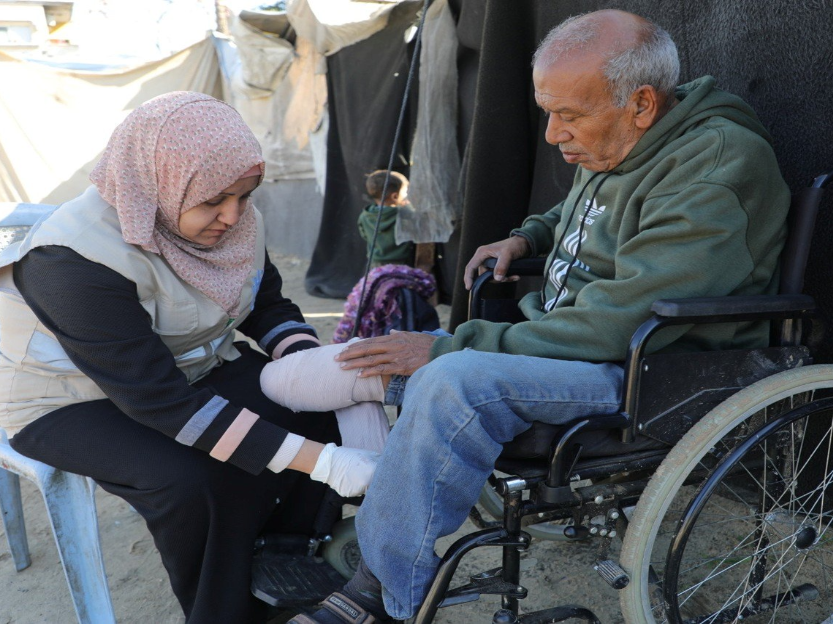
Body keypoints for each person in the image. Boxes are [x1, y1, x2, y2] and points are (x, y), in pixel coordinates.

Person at [265, 9, 791, 623]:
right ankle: (361, 505)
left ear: (642, 104)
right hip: (562, 344)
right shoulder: (627, 139)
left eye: (568, 116)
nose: (552, 135)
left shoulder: (712, 168)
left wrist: (446, 349)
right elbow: (583, 215)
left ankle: (381, 589)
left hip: (646, 368)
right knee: (320, 370)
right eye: (548, 112)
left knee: (448, 380)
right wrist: (526, 239)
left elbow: (616, 325)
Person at [0, 92, 381, 623]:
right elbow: (161, 401)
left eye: (246, 194)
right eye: (215, 199)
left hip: (188, 367)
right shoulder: (68, 262)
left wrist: (306, 364)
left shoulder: (233, 218)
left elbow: (266, 302)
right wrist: (327, 464)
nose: (233, 215)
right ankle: (226, 610)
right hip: (72, 398)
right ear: (161, 181)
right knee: (191, 480)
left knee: (312, 409)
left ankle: (294, 558)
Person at [358, 169, 414, 267]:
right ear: (395, 196)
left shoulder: (365, 216)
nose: (406, 195)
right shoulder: (404, 214)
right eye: (405, 192)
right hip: (402, 264)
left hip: (375, 264)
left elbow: (364, 235)